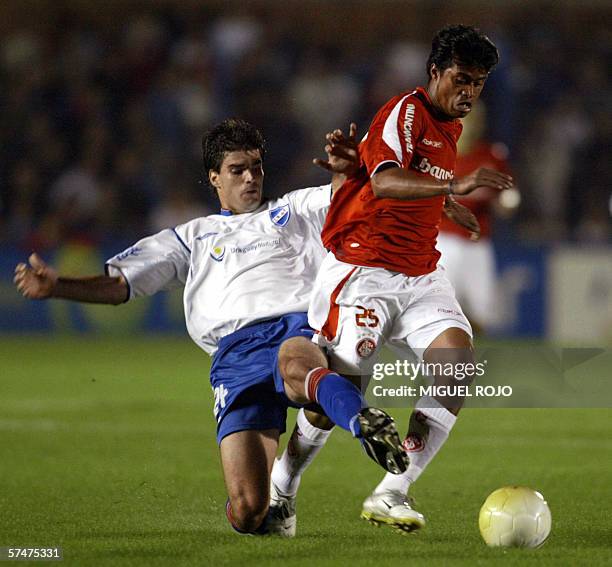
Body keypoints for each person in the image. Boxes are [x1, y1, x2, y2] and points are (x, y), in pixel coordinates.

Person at [13, 118, 408, 538]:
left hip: (293, 329)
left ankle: (363, 421)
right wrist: (58, 287)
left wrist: (346, 170)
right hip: (234, 358)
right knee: (249, 510)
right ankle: (277, 492)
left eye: (256, 166)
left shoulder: (294, 210)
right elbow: (119, 285)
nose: (251, 177)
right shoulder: (193, 237)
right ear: (214, 177)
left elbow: (347, 196)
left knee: (300, 363)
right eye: (238, 169)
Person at [304, 25, 514, 532]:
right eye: (461, 79)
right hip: (366, 268)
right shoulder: (408, 111)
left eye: (479, 84)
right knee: (341, 389)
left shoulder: (450, 126)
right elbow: (385, 179)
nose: (469, 93)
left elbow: (418, 175)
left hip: (420, 271)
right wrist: (458, 184)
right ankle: (283, 485)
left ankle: (392, 490)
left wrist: (448, 201)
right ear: (435, 72)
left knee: (456, 361)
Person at [437, 100, 517, 333]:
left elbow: (505, 196)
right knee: (441, 308)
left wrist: (507, 204)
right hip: (444, 240)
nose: (471, 122)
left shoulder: (491, 155)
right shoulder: (439, 152)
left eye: (475, 117)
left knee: (483, 310)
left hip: (477, 242)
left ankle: (474, 361)